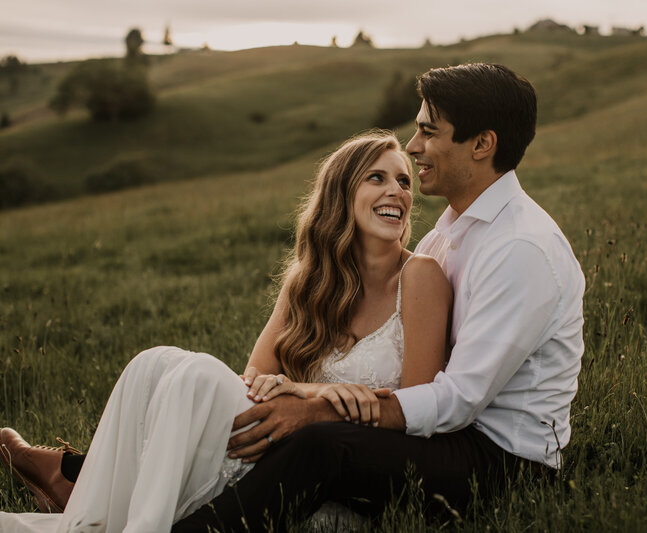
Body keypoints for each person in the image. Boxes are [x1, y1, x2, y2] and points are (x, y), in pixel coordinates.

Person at [166, 62, 585, 531]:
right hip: (452, 439)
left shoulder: (520, 248)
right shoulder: (446, 237)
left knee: (321, 444)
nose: (413, 147)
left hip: (502, 461)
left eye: (429, 132)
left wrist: (317, 405)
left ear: (482, 144)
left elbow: (457, 400)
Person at [0, 131, 452, 532]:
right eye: (378, 177)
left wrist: (307, 396)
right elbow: (254, 377)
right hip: (272, 448)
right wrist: (296, 389)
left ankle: (75, 481)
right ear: (341, 194)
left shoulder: (420, 277)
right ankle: (83, 494)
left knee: (197, 377)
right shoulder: (310, 281)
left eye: (405, 181)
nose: (398, 190)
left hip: (336, 483)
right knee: (152, 362)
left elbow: (417, 413)